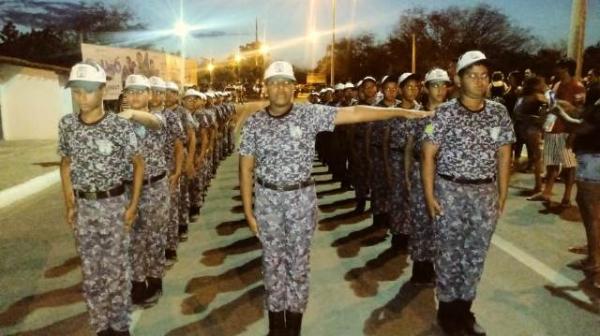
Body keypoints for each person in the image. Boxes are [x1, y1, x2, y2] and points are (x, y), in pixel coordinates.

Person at [239, 61, 431, 336]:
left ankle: (292, 327)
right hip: (268, 198)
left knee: (298, 264)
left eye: (286, 82)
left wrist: (399, 111)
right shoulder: (254, 123)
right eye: (274, 82)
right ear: (265, 87)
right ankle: (275, 326)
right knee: (271, 263)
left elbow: (353, 112)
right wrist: (249, 209)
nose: (280, 88)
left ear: (294, 87)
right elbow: (245, 167)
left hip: (301, 198)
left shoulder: (309, 114)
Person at [422, 51, 515, 335]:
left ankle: (465, 310)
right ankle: (448, 312)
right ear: (459, 79)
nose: (479, 81)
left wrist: (502, 193)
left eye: (484, 75)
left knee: (475, 255)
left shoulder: (498, 112)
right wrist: (429, 195)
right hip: (450, 190)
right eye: (472, 75)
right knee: (449, 254)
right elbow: (428, 156)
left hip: (484, 192)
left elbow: (504, 154)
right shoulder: (444, 113)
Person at [58, 62, 145, 336]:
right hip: (84, 208)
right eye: (77, 92)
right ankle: (100, 326)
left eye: (88, 91)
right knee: (91, 273)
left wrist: (132, 206)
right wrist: (70, 201)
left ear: (102, 91)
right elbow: (65, 163)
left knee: (117, 271)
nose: (82, 97)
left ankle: (120, 327)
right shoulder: (67, 125)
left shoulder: (119, 126)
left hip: (114, 205)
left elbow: (138, 163)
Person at [124, 74, 170, 308]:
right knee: (133, 238)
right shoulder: (119, 124)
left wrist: (130, 114)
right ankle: (138, 283)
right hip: (129, 189)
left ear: (150, 95)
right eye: (130, 91)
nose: (135, 96)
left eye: (140, 91)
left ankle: (155, 280)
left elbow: (153, 122)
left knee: (154, 236)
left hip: (154, 187)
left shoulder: (158, 117)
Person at [405, 68, 450, 285]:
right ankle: (420, 269)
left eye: (444, 85)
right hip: (419, 175)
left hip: (445, 177)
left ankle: (435, 266)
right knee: (421, 220)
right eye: (435, 85)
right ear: (427, 88)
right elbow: (408, 148)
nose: (440, 90)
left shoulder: (452, 116)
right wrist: (406, 177)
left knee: (441, 223)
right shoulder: (419, 116)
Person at [528, 58, 585, 208]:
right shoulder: (558, 84)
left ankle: (566, 197)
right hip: (552, 127)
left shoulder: (578, 86)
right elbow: (550, 104)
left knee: (568, 164)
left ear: (566, 69)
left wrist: (573, 133)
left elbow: (579, 111)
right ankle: (547, 192)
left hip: (567, 131)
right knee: (551, 163)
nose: (556, 70)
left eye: (559, 68)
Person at [149, 77, 185, 268]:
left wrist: (177, 171)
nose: (156, 95)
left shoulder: (171, 117)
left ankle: (170, 248)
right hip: (149, 177)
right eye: (153, 91)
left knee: (169, 212)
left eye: (160, 92)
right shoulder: (144, 116)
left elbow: (179, 146)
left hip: (169, 171)